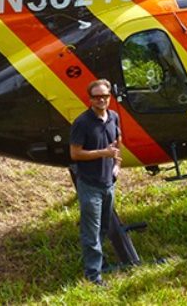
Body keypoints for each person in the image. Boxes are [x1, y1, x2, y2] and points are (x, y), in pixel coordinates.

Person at [69, 79, 122, 286]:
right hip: (90, 184)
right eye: (97, 97)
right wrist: (104, 153)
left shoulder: (114, 117)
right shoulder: (82, 123)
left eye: (105, 96)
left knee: (103, 227)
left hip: (109, 183)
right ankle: (93, 276)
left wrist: (117, 163)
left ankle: (100, 263)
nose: (101, 100)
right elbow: (75, 154)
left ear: (110, 97)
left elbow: (118, 143)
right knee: (91, 231)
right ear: (90, 99)